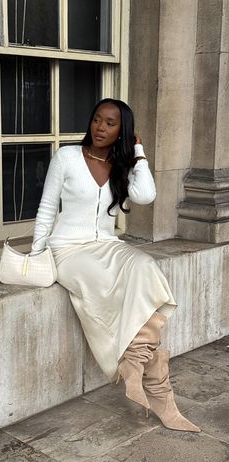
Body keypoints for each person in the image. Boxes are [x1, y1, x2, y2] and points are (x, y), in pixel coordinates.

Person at [31, 98, 200, 433]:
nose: (100, 128)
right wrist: (38, 250)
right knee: (106, 283)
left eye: (110, 123)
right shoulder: (66, 157)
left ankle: (137, 370)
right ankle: (160, 395)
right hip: (68, 249)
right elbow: (48, 207)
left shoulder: (122, 165)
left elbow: (146, 196)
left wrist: (138, 155)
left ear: (122, 131)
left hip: (107, 244)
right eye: (96, 120)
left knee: (146, 267)